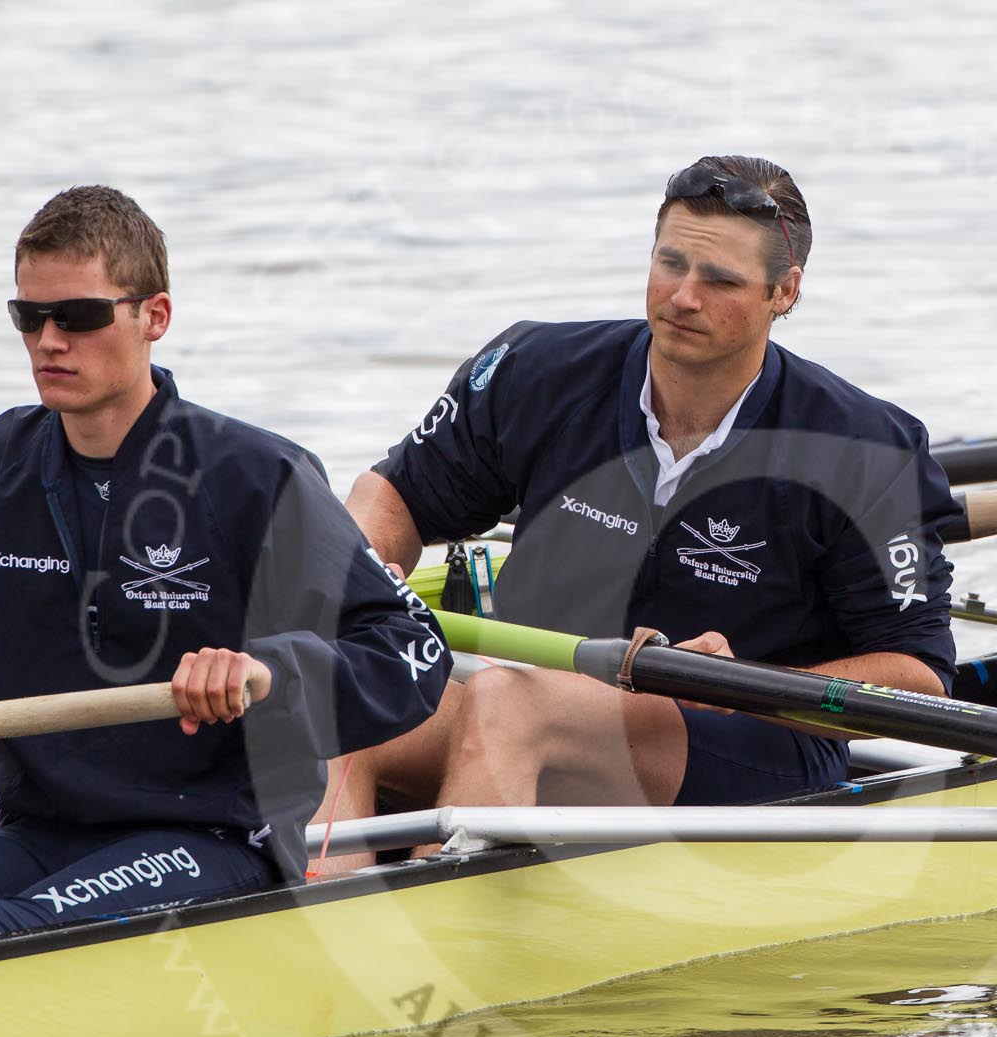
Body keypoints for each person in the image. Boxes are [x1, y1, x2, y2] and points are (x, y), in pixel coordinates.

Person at [0, 185, 451, 949]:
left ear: (153, 316)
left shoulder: (258, 477)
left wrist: (267, 672)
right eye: (28, 317)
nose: (48, 342)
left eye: (79, 317)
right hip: (45, 830)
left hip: (220, 837)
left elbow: (409, 649)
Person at [329, 155, 957, 829]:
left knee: (508, 704)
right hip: (521, 696)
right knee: (329, 692)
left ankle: (447, 920)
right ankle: (321, 914)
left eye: (720, 279)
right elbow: (394, 494)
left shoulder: (865, 446)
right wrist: (355, 577)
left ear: (784, 291)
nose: (684, 297)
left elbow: (920, 673)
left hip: (748, 741)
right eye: (671, 264)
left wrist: (743, 687)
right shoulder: (537, 372)